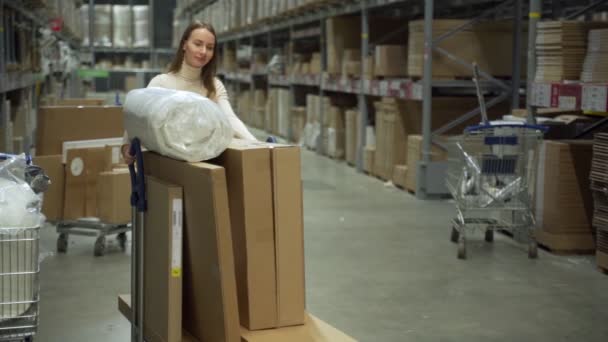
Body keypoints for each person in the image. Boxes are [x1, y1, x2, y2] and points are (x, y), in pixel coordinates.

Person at [121, 21, 256, 164]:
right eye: (198, 44)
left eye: (210, 47)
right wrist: (126, 146)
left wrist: (255, 143)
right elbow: (138, 118)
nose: (203, 51)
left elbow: (230, 119)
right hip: (169, 166)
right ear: (184, 45)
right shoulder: (161, 83)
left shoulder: (214, 85)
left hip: (205, 163)